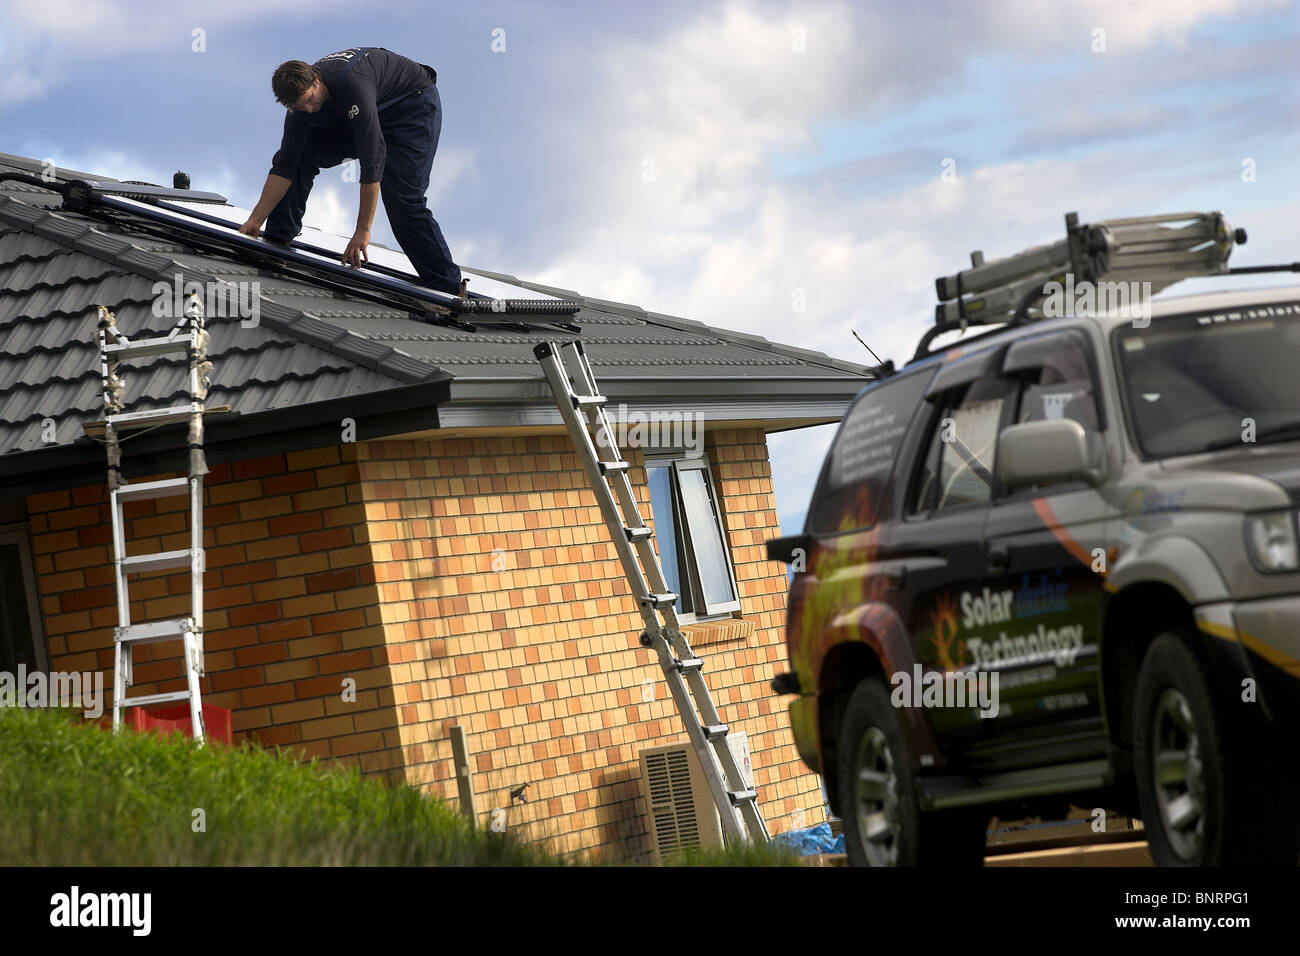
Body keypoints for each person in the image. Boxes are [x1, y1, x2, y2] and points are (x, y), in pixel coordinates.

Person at [238, 47, 464, 297]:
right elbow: (284, 166)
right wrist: (255, 221)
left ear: (316, 78)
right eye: (302, 107)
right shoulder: (300, 107)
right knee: (299, 155)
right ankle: (277, 238)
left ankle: (446, 285)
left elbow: (372, 161)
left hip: (411, 107)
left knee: (403, 197)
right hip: (360, 110)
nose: (310, 110)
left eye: (311, 100)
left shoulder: (353, 85)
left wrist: (362, 231)